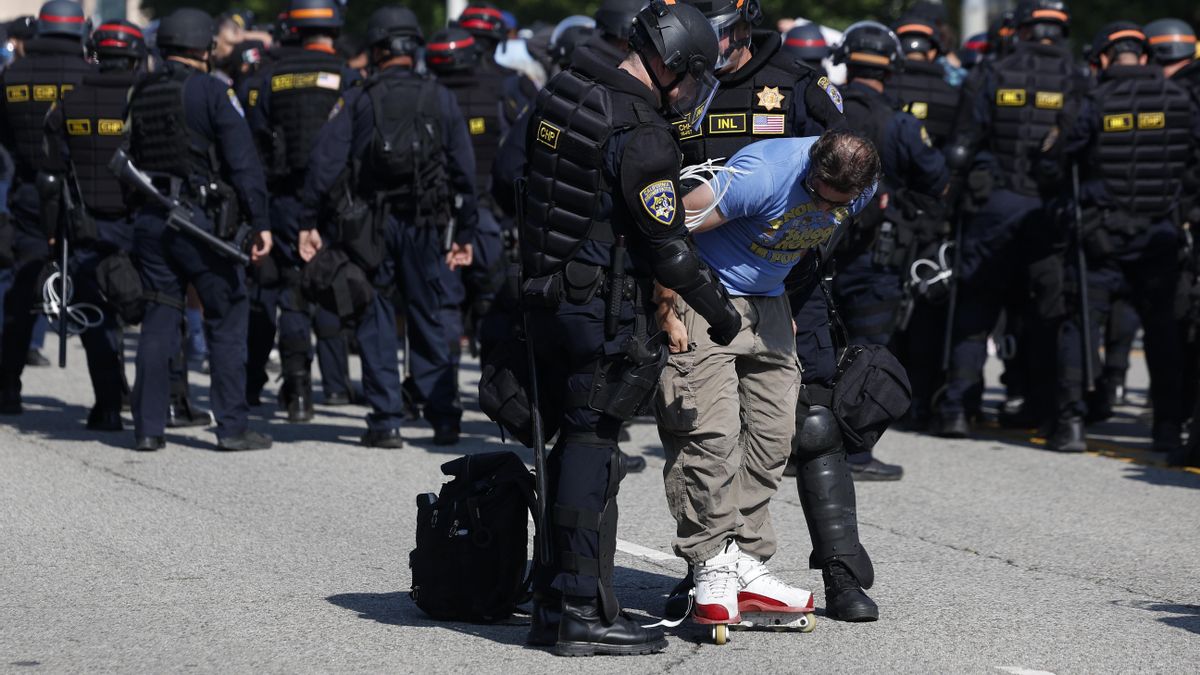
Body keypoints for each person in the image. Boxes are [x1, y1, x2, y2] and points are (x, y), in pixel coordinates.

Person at [517, 0, 740, 655]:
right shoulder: (644, 133)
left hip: (546, 291)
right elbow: (667, 247)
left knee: (566, 443)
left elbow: (510, 178)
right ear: (669, 64)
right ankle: (579, 612)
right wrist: (720, 313)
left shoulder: (565, 91)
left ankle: (550, 599)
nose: (693, 89)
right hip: (600, 308)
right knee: (592, 446)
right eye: (692, 75)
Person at [656, 130, 878, 633]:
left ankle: (745, 558)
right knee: (709, 434)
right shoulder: (764, 174)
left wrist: (782, 303)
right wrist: (665, 309)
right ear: (812, 170)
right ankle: (710, 561)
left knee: (774, 437)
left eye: (837, 203)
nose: (825, 208)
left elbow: (810, 243)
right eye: (818, 195)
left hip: (771, 302)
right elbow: (668, 229)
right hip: (706, 293)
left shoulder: (861, 188)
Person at [302, 6, 477, 448]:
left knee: (375, 316)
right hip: (426, 224)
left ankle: (386, 421)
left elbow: (324, 163)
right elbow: (464, 170)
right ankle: (444, 418)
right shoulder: (440, 96)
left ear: (378, 49)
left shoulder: (358, 97)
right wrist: (465, 232)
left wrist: (309, 221)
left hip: (370, 226)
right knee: (428, 315)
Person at [933, 0, 1085, 440]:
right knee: (1048, 313)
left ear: (1020, 29)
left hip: (994, 204)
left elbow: (962, 144)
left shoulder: (993, 72)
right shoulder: (1077, 78)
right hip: (1047, 209)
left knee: (976, 306)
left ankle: (957, 408)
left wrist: (951, 201)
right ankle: (1056, 416)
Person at [127, 8, 273, 452]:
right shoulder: (211, 90)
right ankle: (232, 427)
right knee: (227, 315)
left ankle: (148, 429)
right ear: (204, 47)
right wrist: (260, 222)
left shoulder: (143, 89)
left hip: (153, 218)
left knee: (159, 318)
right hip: (201, 223)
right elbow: (243, 162)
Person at [1049, 23, 1199, 456]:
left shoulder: (1094, 101)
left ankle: (1072, 422)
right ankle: (1167, 427)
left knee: (1081, 324)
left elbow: (1060, 159)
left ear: (1102, 58)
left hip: (1100, 234)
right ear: (1146, 56)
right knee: (1163, 331)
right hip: (1161, 233)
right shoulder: (1181, 100)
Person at [829, 22, 948, 470]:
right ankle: (856, 452)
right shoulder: (900, 123)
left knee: (814, 346)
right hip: (874, 258)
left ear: (846, 61)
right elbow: (937, 179)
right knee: (869, 350)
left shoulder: (825, 111)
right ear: (892, 67)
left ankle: (805, 445)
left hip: (813, 251)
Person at [246, 0, 360, 422]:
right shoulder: (347, 77)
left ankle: (297, 390)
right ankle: (336, 385)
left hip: (285, 198)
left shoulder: (269, 78)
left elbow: (255, 143)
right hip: (335, 198)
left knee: (291, 291)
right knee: (331, 281)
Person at [41, 20, 146, 431]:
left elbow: (51, 174)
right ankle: (167, 401)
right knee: (161, 309)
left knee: (95, 316)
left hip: (86, 226)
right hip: (142, 223)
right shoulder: (148, 97)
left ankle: (108, 405)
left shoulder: (68, 103)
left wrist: (52, 233)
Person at [0, 0, 95, 415]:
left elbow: (5, 137)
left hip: (30, 192)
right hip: (84, 194)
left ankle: (7, 387)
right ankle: (110, 400)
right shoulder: (91, 74)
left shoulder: (11, 75)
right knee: (94, 286)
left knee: (22, 291)